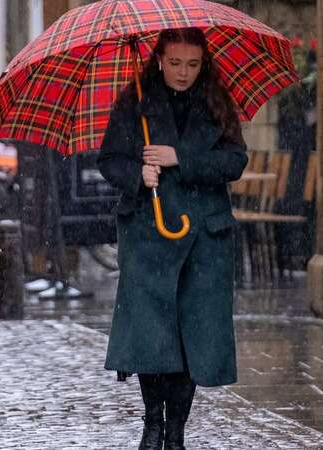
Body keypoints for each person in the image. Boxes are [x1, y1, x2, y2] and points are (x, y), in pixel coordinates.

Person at [97, 28, 247, 450]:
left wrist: (180, 157)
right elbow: (109, 159)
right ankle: (152, 425)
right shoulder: (136, 101)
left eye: (193, 64)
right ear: (159, 58)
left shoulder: (216, 102)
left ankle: (176, 431)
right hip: (149, 233)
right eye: (176, 63)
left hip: (204, 236)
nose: (184, 73)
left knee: (190, 335)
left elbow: (235, 160)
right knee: (151, 333)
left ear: (204, 63)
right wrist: (138, 176)